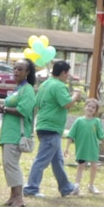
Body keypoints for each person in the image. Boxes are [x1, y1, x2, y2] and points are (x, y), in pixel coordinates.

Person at [0, 58, 37, 207]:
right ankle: (12, 196)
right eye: (15, 68)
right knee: (7, 164)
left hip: (17, 133)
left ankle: (19, 198)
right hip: (8, 132)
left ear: (27, 72)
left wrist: (4, 109)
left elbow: (23, 110)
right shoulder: (18, 88)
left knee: (12, 164)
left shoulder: (27, 90)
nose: (16, 71)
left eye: (20, 69)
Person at [25, 59, 76, 198]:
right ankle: (31, 188)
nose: (68, 76)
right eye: (67, 73)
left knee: (57, 160)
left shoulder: (45, 84)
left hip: (44, 125)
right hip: (51, 128)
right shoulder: (59, 86)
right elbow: (66, 103)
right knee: (42, 160)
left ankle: (66, 187)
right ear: (63, 72)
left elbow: (38, 103)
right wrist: (75, 96)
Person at [69, 97, 104, 195]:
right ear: (85, 107)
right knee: (81, 166)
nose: (90, 108)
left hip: (93, 148)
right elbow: (71, 135)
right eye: (89, 106)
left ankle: (91, 185)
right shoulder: (79, 121)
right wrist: (67, 148)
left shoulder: (96, 121)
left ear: (95, 111)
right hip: (82, 148)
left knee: (94, 166)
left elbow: (102, 136)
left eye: (93, 107)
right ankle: (76, 185)